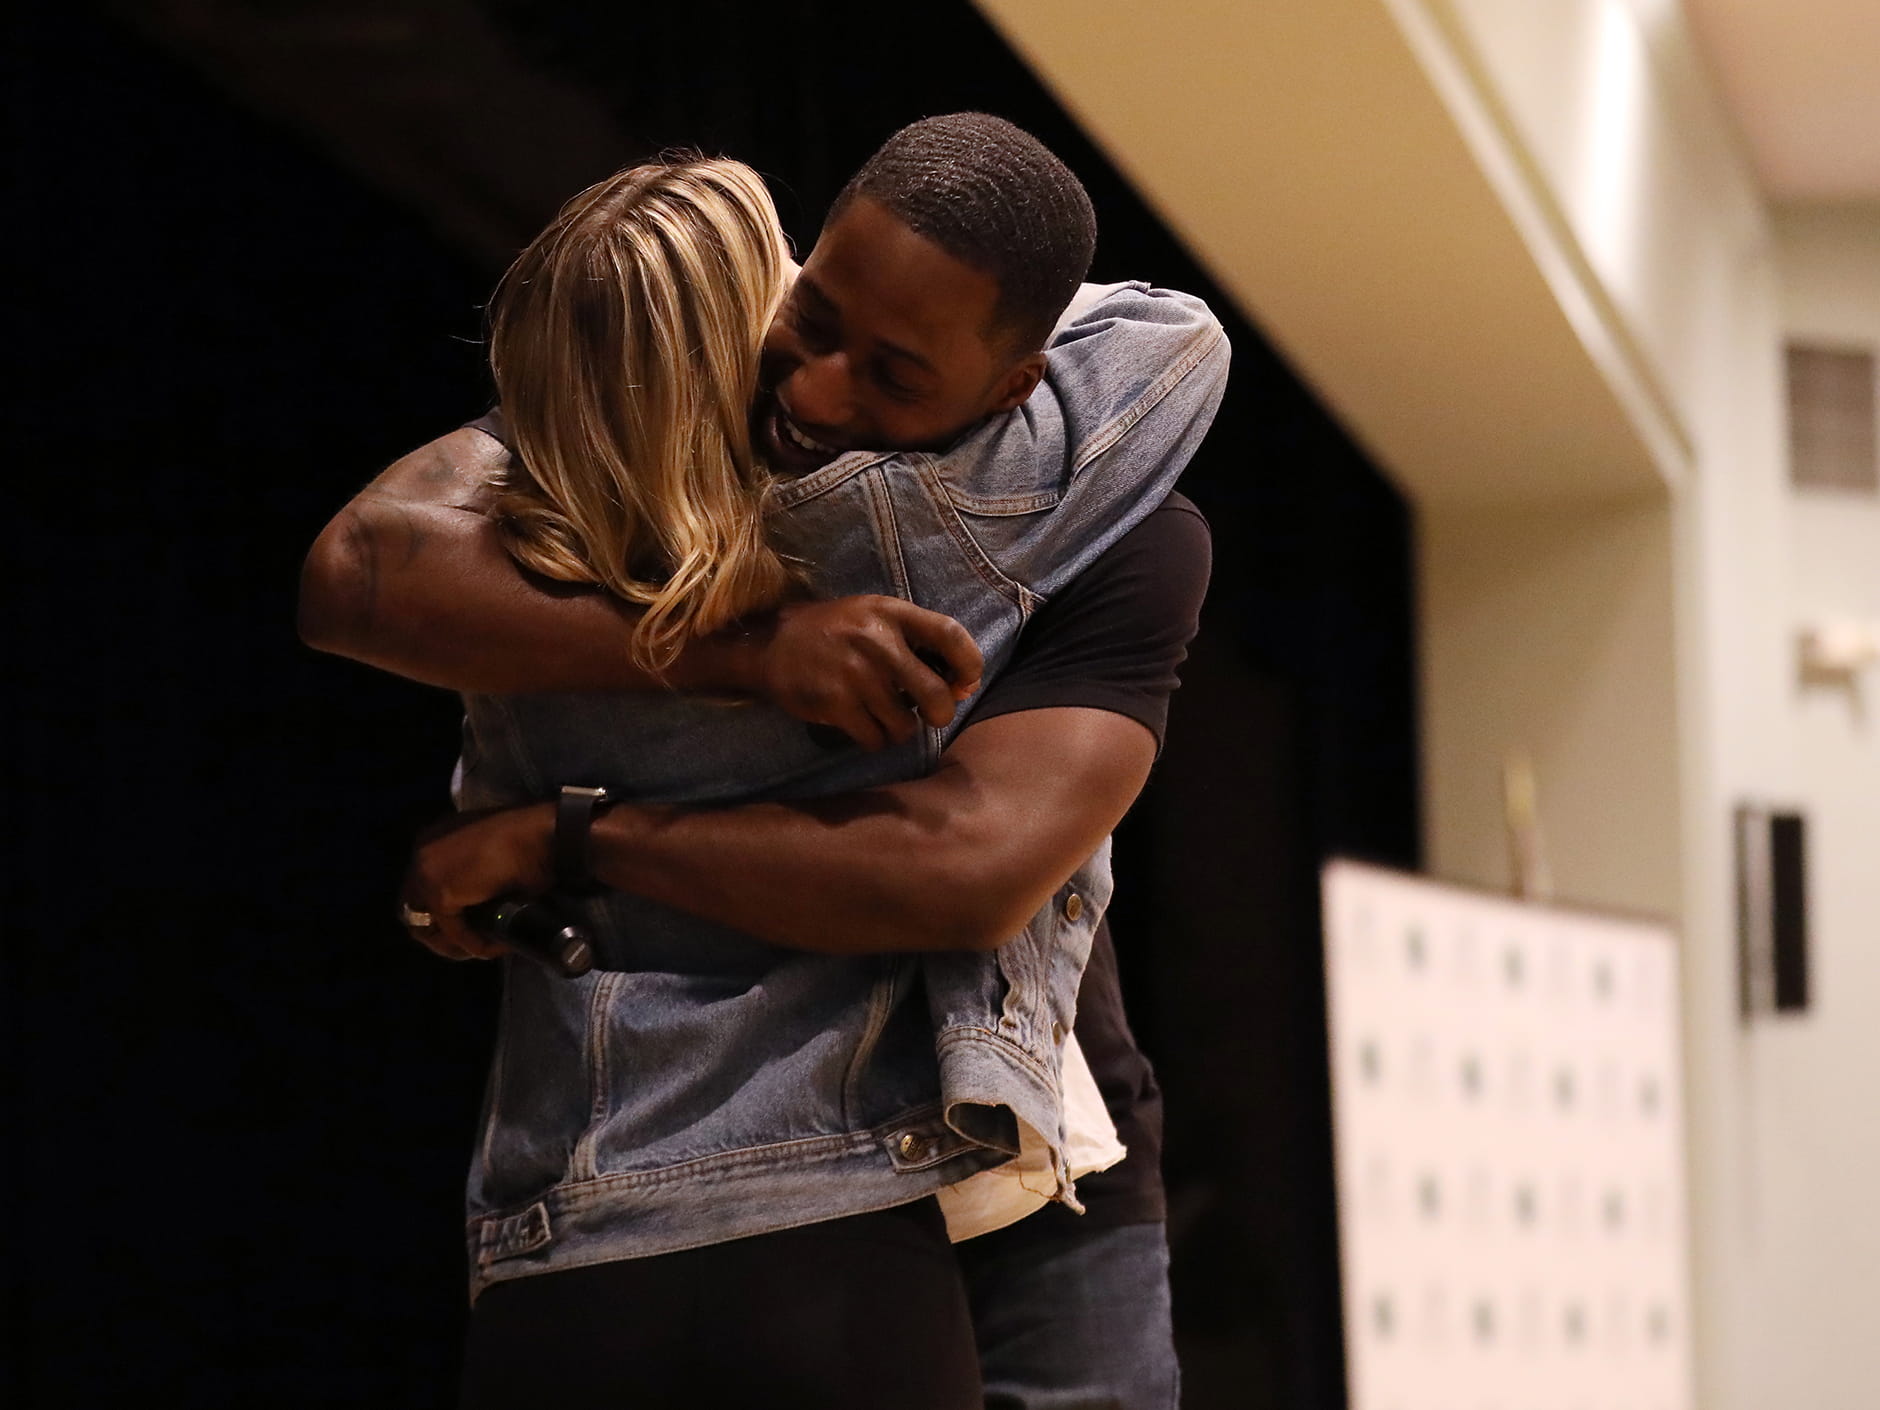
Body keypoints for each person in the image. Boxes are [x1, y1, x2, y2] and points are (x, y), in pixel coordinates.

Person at [303, 114, 1223, 1408]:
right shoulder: (661, 447)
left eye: (896, 374)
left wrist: (576, 836)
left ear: (1015, 383)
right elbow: (352, 572)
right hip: (784, 1166)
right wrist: (751, 649)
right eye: (817, 315)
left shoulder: (1099, 519)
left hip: (1045, 1141)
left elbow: (966, 868)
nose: (817, 390)